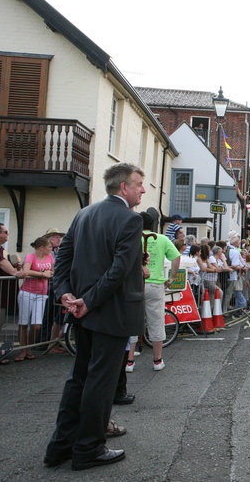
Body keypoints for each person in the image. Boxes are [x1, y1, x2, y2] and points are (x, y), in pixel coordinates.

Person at [44, 163, 146, 471]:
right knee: (100, 383)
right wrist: (86, 300)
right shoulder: (130, 219)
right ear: (123, 187)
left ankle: (60, 446)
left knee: (79, 379)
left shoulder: (84, 214)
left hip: (82, 312)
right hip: (109, 313)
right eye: (139, 184)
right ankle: (89, 448)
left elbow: (63, 257)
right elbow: (119, 270)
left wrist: (64, 293)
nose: (142, 189)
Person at [125, 211, 180, 374]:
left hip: (134, 284)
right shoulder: (162, 239)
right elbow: (176, 258)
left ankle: (129, 362)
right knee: (156, 321)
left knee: (132, 322)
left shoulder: (132, 237)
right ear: (154, 225)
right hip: (155, 284)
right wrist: (171, 278)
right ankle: (157, 360)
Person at [16, 236, 54, 361]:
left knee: (37, 325)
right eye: (49, 247)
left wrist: (49, 274)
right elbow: (26, 270)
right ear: (41, 248)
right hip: (28, 292)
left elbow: (52, 271)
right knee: (24, 323)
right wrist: (43, 274)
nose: (50, 249)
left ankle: (29, 347)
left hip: (42, 293)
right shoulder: (30, 256)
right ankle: (23, 350)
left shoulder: (50, 257)